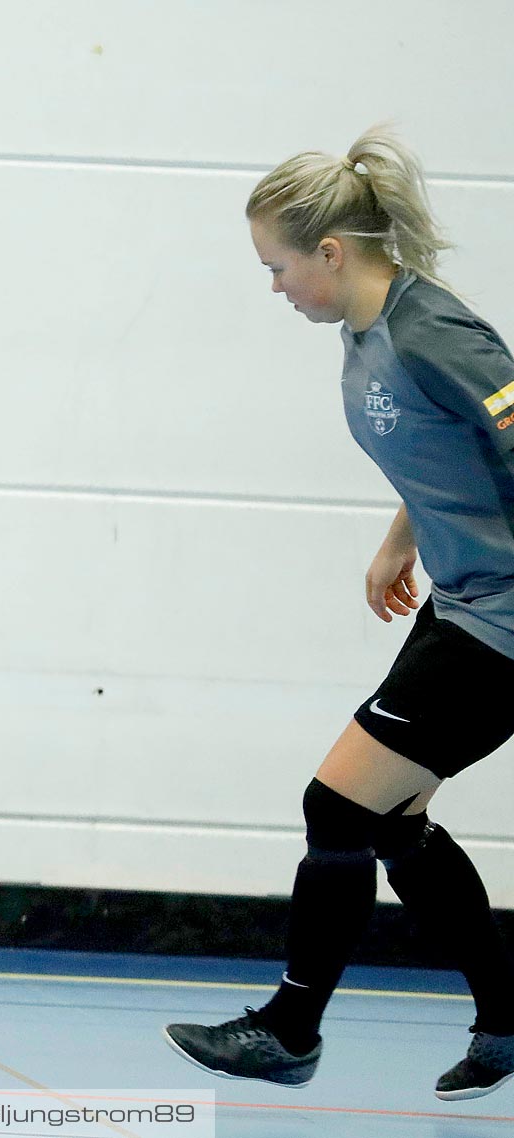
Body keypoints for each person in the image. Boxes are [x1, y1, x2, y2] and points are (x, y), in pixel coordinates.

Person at [163, 127, 514, 1100]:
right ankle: (506, 1015)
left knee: (339, 805)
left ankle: (290, 1028)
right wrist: (403, 539)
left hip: (504, 625)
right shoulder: (370, 331)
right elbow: (454, 447)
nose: (274, 287)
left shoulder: (431, 332)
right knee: (394, 823)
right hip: (462, 602)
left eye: (278, 267)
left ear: (331, 251)